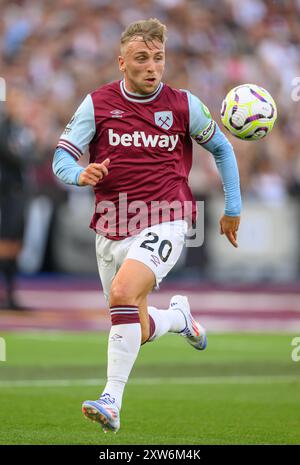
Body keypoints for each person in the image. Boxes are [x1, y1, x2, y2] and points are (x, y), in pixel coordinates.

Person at [52, 18, 241, 433]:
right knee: (133, 324)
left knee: (122, 292)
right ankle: (178, 319)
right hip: (111, 224)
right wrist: (78, 174)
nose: (152, 67)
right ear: (122, 62)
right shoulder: (97, 104)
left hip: (168, 217)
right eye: (141, 59)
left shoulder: (183, 105)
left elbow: (223, 149)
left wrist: (233, 206)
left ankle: (111, 401)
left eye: (158, 58)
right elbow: (61, 158)